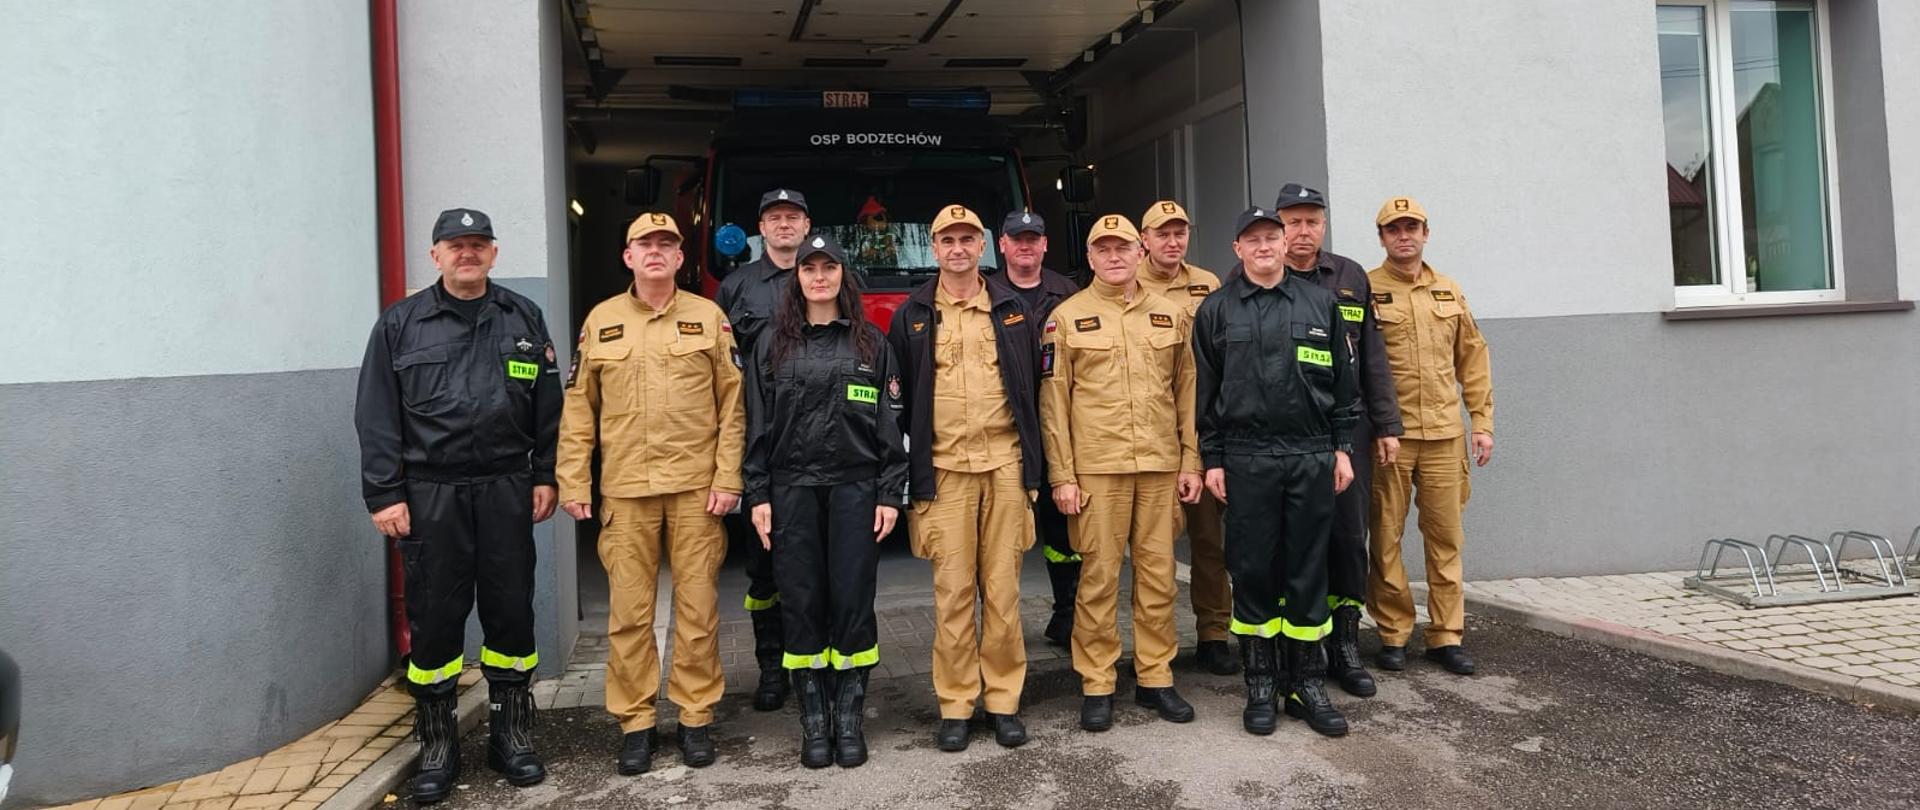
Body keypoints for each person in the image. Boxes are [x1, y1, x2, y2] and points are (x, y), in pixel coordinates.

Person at [354, 207, 558, 801]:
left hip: (505, 486)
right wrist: (384, 493)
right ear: (435, 255)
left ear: (494, 253)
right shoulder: (401, 324)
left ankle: (510, 736)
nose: (467, 253)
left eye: (478, 244)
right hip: (430, 493)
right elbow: (376, 415)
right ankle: (438, 746)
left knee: (510, 611)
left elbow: (549, 407)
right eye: (455, 244)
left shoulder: (523, 316)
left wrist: (545, 474)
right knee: (435, 618)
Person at [557, 212, 745, 774]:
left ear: (681, 257)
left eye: (667, 244)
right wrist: (574, 479)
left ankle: (695, 716)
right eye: (646, 244)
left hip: (695, 489)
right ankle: (636, 722)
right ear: (629, 256)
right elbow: (578, 408)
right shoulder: (602, 321)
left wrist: (728, 477)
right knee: (629, 614)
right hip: (626, 490)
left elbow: (733, 404)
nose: (656, 252)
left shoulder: (708, 317)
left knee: (698, 609)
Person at [1192, 206, 1359, 738]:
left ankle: (1307, 684)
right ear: (1237, 249)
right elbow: (1205, 394)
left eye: (1272, 237)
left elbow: (1345, 384)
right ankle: (1261, 683)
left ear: (1286, 244)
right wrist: (1214, 459)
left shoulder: (1321, 303)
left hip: (1310, 454)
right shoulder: (1216, 311)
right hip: (1247, 459)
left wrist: (1341, 448)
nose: (1263, 246)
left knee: (1308, 570)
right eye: (1252, 239)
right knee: (1254, 570)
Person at [743, 234, 908, 769]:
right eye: (809, 268)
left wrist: (890, 493)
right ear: (797, 278)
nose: (819, 277)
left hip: (855, 490)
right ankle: (814, 722)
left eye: (828, 268)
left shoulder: (870, 343)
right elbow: (756, 426)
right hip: (791, 490)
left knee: (853, 600)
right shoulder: (771, 343)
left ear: (842, 276)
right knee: (802, 600)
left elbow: (889, 425)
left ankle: (849, 718)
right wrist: (758, 493)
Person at [886, 204, 1047, 752]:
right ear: (933, 249)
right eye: (947, 240)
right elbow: (897, 399)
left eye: (967, 239)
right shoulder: (912, 314)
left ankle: (1003, 702)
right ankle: (955, 704)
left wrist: (1034, 470)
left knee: (1002, 594)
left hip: (1004, 467)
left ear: (983, 246)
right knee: (953, 596)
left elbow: (1033, 392)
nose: (957, 249)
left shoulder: (1012, 309)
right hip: (944, 471)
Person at [1040, 214, 1202, 732]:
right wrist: (1062, 476)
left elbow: (1187, 393)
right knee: (1098, 580)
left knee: (1158, 578)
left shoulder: (1171, 315)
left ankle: (1156, 676)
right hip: (1096, 471)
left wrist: (1191, 460)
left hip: (1159, 466)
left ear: (1140, 252)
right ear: (1090, 258)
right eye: (1103, 249)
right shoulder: (1066, 318)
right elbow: (1053, 404)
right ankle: (1098, 682)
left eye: (1123, 247)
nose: (1114, 257)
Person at [1266, 183, 1405, 698]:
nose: (1303, 231)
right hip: (1284, 433)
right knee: (1291, 539)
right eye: (1293, 222)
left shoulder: (1349, 276)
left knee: (1348, 536)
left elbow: (1372, 356)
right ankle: (1300, 649)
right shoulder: (1254, 276)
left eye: (1312, 221)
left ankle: (1345, 643)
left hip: (1348, 426)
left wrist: (1386, 424)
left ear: (1323, 226)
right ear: (1278, 227)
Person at [1366, 196, 1494, 677]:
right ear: (1382, 237)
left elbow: (1472, 359)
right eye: (1394, 229)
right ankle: (1394, 632)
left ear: (1426, 233)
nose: (1404, 236)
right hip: (1391, 440)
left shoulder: (1449, 290)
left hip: (1444, 436)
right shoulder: (1367, 289)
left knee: (1446, 539)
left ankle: (1446, 635)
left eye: (1412, 227)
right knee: (1385, 539)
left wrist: (1482, 423)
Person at [714, 188, 812, 712]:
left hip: (820, 439)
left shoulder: (829, 277)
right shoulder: (736, 288)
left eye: (793, 217)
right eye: (774, 218)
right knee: (764, 564)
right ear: (762, 228)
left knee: (814, 561)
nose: (784, 225)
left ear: (807, 225)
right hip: (761, 440)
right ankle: (772, 668)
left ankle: (808, 664)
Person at [1133, 200, 1235, 676]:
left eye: (1180, 233)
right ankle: (1153, 646)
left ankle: (1213, 633)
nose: (1173, 242)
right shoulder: (1130, 283)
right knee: (1151, 552)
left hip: (1204, 423)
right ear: (1144, 240)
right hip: (1150, 431)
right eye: (1162, 233)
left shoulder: (1208, 283)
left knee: (1208, 540)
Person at [988, 210, 1083, 646]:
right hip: (1008, 428)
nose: (1025, 246)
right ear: (1002, 245)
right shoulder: (985, 294)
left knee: (1064, 528)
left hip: (1061, 426)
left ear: (1045, 244)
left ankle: (1068, 615)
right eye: (1016, 239)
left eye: (1033, 238)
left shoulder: (1069, 293)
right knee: (1001, 532)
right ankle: (999, 632)